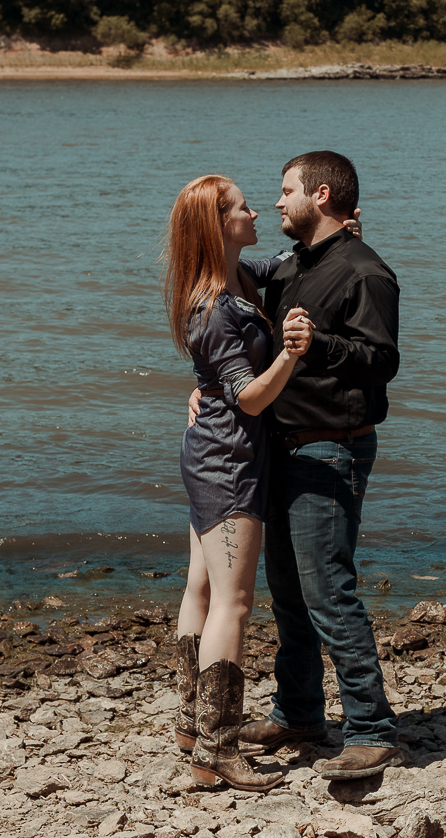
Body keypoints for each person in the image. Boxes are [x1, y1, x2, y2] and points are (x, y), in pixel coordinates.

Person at [195, 151, 403, 781]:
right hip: (278, 446)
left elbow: (382, 360)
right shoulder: (292, 264)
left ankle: (370, 728)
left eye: (284, 191)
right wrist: (211, 380)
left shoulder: (367, 273)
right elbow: (237, 282)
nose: (274, 203)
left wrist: (319, 344)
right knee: (288, 596)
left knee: (327, 593)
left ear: (318, 194)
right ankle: (300, 712)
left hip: (329, 447)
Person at [163, 174, 314, 792]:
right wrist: (290, 353)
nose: (257, 211)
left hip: (210, 453)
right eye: (244, 206)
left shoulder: (237, 278)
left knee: (200, 588)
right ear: (220, 224)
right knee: (235, 602)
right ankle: (218, 749)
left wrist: (336, 236)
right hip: (229, 461)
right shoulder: (215, 308)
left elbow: (280, 259)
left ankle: (191, 725)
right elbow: (249, 399)